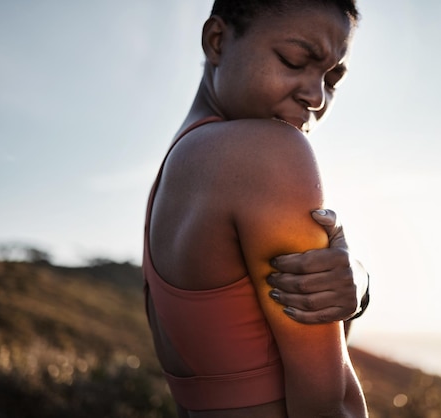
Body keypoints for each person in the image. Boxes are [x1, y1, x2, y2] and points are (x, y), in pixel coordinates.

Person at [143, 0, 369, 416]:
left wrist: (355, 292)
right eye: (294, 60)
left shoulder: (177, 169)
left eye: (332, 78)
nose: (316, 97)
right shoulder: (267, 150)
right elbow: (324, 404)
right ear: (217, 41)